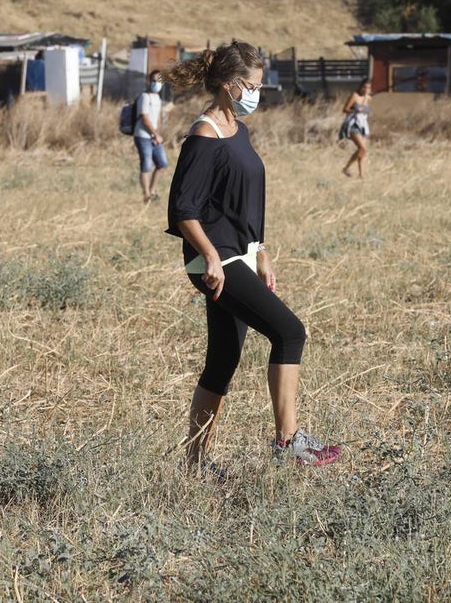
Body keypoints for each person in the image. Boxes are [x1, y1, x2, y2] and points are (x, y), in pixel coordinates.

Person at [166, 40, 341, 473]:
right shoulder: (203, 136)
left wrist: (261, 252)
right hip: (215, 261)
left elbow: (244, 201)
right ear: (229, 85)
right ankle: (289, 440)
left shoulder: (237, 131)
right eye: (251, 85)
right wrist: (208, 256)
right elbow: (182, 210)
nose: (256, 94)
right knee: (289, 332)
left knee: (222, 360)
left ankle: (194, 464)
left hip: (239, 255)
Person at [134, 69, 169, 203]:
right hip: (142, 136)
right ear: (149, 81)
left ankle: (152, 190)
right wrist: (155, 134)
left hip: (154, 137)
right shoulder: (144, 97)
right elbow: (145, 118)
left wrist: (157, 134)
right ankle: (146, 195)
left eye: (159, 81)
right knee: (146, 165)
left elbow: (158, 118)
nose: (156, 83)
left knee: (162, 163)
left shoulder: (158, 98)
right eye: (154, 81)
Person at [338, 78, 372, 178]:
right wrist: (355, 111)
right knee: (363, 148)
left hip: (363, 125)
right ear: (361, 87)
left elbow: (366, 111)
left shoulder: (368, 98)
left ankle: (361, 175)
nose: (366, 89)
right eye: (365, 87)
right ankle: (346, 168)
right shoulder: (354, 96)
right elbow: (345, 109)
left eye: (368, 87)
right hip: (353, 124)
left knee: (362, 151)